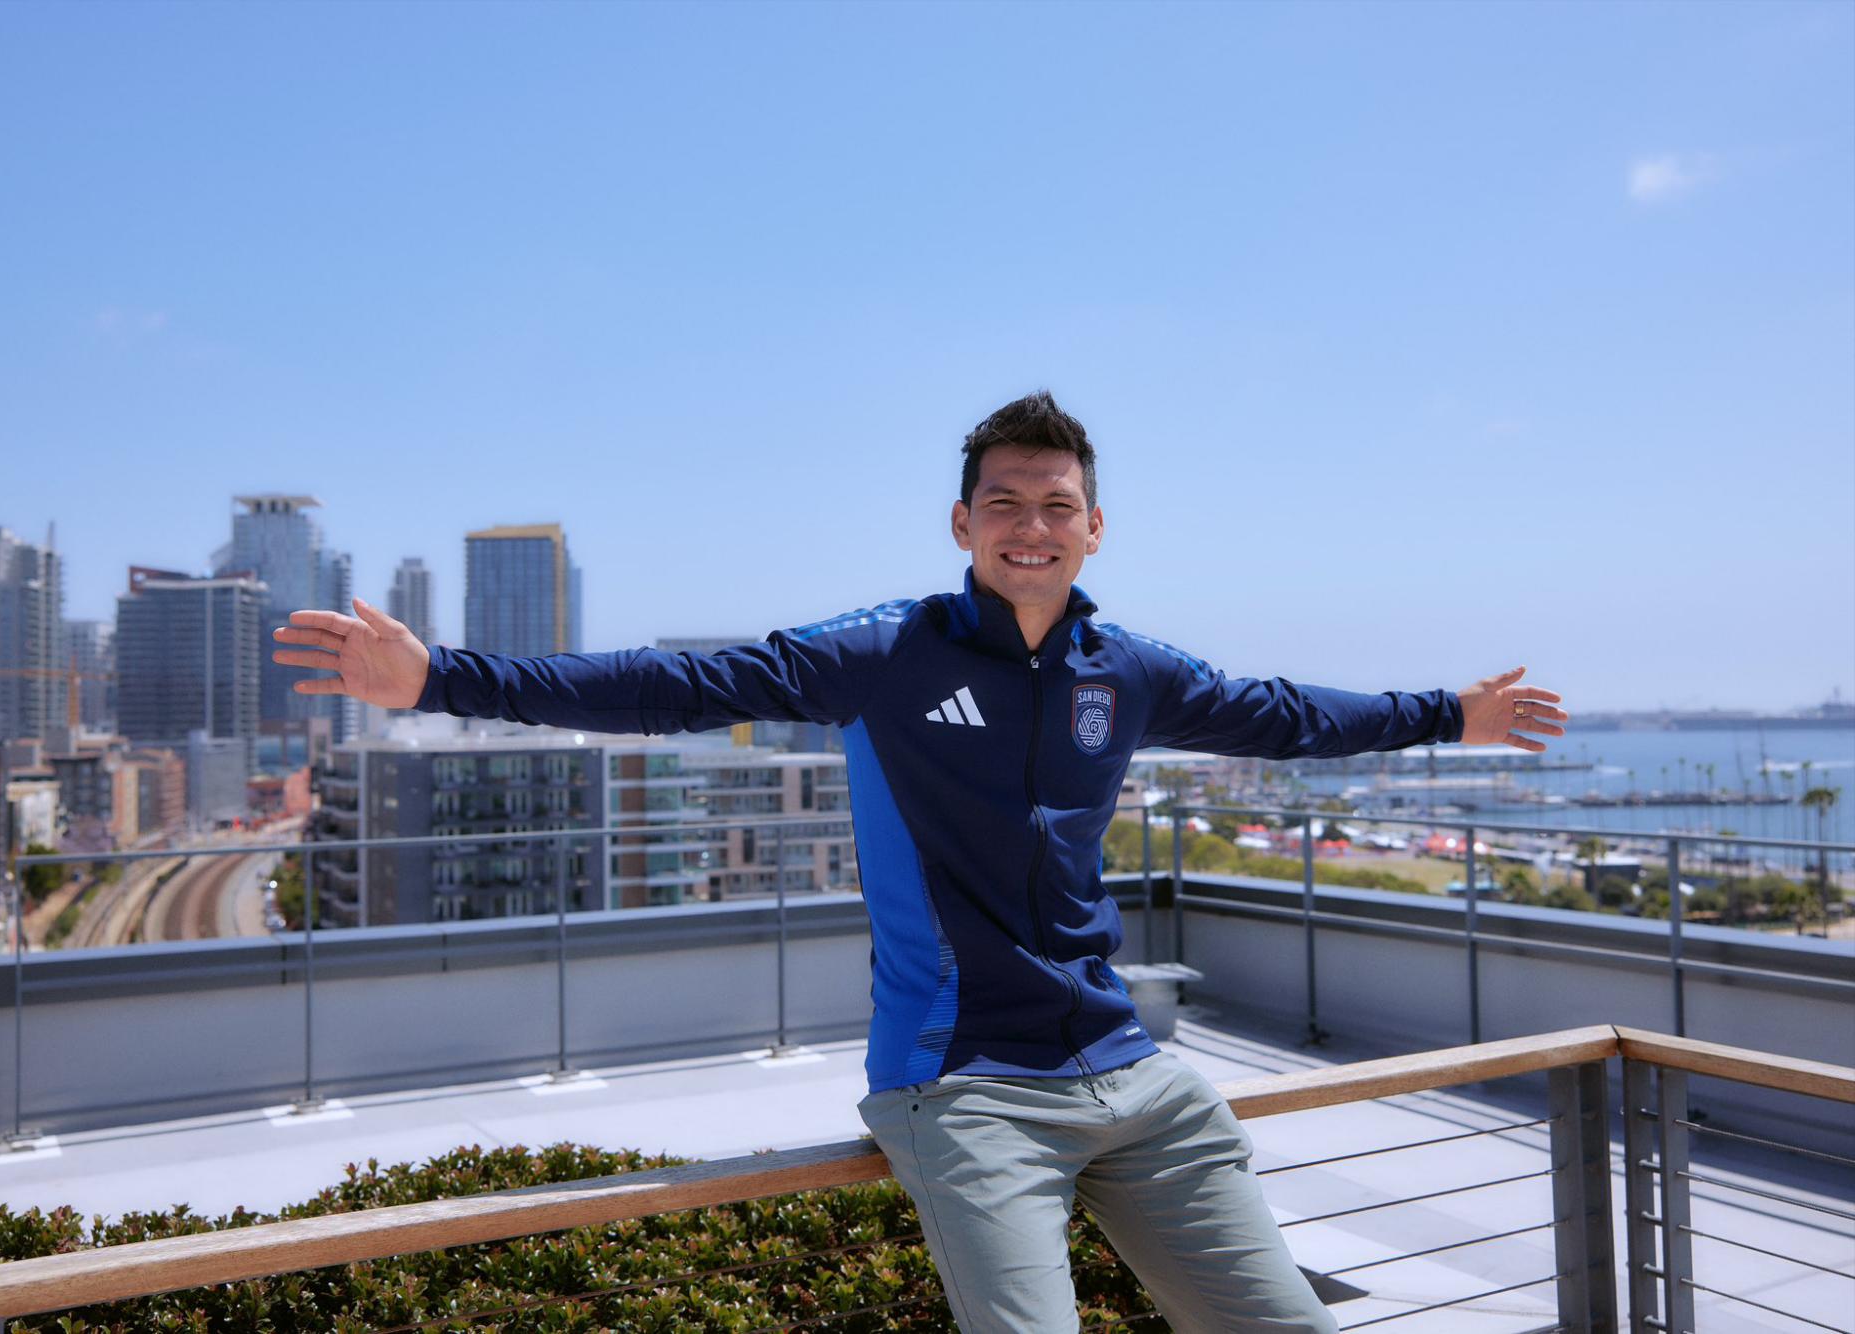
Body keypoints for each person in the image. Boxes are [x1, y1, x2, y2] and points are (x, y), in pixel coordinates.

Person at [272, 392, 1566, 1332]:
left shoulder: (1131, 670)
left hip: (1133, 1072)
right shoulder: (889, 649)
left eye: (1057, 504)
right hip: (969, 1090)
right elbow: (679, 681)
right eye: (1004, 500)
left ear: (1095, 527)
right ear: (962, 520)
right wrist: (441, 674)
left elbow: (1284, 717)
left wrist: (1451, 713)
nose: (1031, 523)